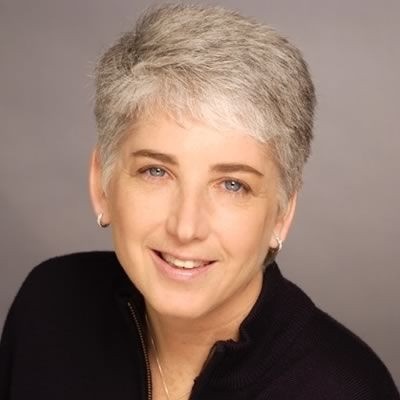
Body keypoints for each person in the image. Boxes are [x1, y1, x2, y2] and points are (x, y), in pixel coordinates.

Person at [0, 4, 398, 400]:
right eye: (156, 171)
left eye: (232, 185)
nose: (186, 227)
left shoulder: (346, 391)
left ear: (282, 213)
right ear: (101, 183)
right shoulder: (49, 309)